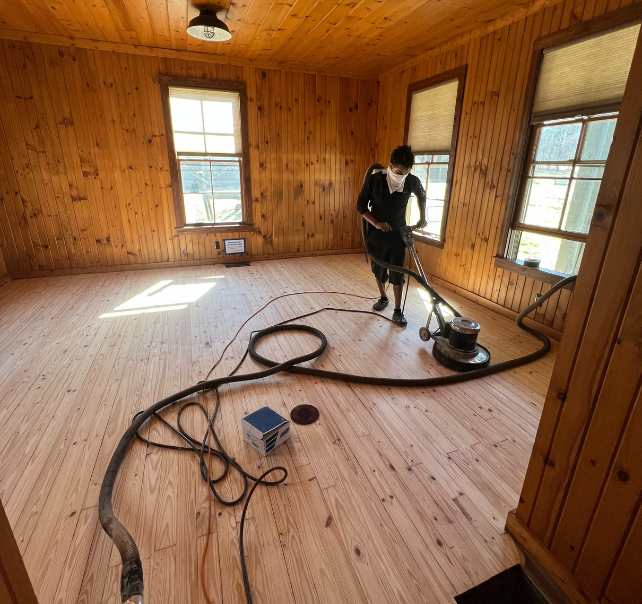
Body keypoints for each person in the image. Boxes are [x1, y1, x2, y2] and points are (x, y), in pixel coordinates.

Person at [356, 145, 427, 326]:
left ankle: (397, 310)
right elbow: (361, 206)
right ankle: (383, 297)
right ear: (390, 165)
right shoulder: (375, 180)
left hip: (398, 233)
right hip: (377, 234)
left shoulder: (411, 181)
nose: (400, 175)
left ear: (409, 170)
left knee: (398, 272)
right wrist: (377, 223)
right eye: (397, 171)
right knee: (378, 268)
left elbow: (421, 195)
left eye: (404, 172)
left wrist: (423, 217)